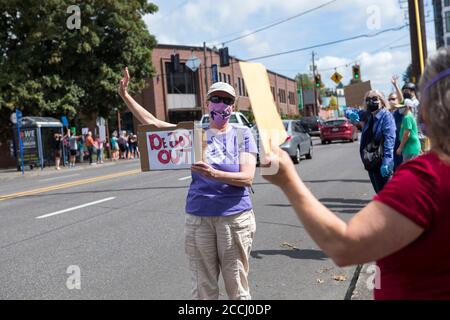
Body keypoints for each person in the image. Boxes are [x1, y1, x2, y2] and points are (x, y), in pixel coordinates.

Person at [261, 47, 450, 300]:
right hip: (372, 165)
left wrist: (287, 180)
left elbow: (344, 247)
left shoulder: (425, 179)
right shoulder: (371, 118)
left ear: (425, 111)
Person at [119, 67, 258, 300]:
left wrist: (214, 174)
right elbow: (153, 122)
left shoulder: (243, 134)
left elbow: (247, 177)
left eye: (227, 100)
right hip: (199, 219)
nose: (221, 105)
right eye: (216, 99)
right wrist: (125, 95)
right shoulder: (195, 133)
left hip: (234, 219)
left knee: (237, 288)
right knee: (203, 290)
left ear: (233, 106)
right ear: (208, 104)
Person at [360, 90, 396, 193]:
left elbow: (389, 140)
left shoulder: (386, 116)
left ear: (382, 101)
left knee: (386, 196)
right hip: (370, 161)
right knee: (379, 193)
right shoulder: (368, 115)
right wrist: (350, 114)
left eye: (375, 99)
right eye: (368, 99)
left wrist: (386, 162)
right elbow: (349, 111)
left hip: (382, 161)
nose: (371, 102)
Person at [388, 90, 404, 171]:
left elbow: (401, 100)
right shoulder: (386, 113)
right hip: (390, 145)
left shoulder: (399, 111)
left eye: (393, 99)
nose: (391, 101)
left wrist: (395, 85)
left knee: (400, 167)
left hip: (399, 144)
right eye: (389, 99)